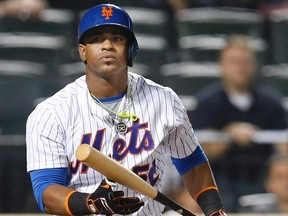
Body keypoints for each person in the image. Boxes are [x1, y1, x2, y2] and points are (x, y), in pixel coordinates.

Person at [26, 4, 227, 216]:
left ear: (131, 49)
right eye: (96, 39)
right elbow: (46, 193)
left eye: (117, 39)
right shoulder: (51, 113)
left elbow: (191, 162)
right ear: (82, 51)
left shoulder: (163, 99)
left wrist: (214, 210)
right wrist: (91, 203)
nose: (107, 46)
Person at [188, 34, 288, 212]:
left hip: (263, 178)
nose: (240, 67)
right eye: (234, 62)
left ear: (254, 65)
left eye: (245, 61)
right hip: (220, 178)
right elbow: (196, 151)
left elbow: (283, 145)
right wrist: (229, 135)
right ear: (222, 66)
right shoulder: (207, 103)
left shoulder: (271, 103)